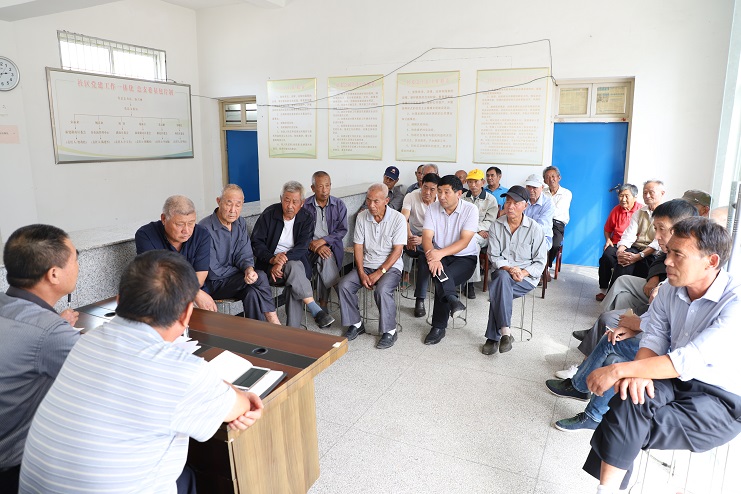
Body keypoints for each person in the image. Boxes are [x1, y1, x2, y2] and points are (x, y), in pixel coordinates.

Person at [19, 250, 264, 493]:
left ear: (119, 300)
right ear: (186, 314)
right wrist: (227, 393)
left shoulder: (85, 341)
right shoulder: (181, 373)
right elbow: (243, 406)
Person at [581, 218, 739, 493]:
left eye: (678, 254)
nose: (667, 261)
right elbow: (655, 336)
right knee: (631, 395)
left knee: (623, 414)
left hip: (720, 397)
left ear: (711, 261)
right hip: (673, 379)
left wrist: (620, 370)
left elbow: (690, 359)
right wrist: (639, 372)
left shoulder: (735, 301)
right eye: (668, 252)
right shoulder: (669, 289)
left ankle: (611, 479)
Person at [548, 199, 699, 418]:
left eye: (661, 229)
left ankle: (585, 388)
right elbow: (659, 264)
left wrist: (638, 329)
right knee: (617, 290)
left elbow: (678, 344)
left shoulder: (704, 280)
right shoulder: (672, 268)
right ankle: (584, 379)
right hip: (655, 312)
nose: (657, 235)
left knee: (611, 337)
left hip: (675, 359)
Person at [0, 225, 80, 493]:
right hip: (16, 472)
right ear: (54, 274)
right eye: (75, 258)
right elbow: (106, 379)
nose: (77, 266)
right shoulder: (51, 333)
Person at [251, 181, 335, 329]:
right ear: (281, 199)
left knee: (293, 274)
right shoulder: (269, 214)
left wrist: (281, 262)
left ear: (302, 203)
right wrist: (273, 259)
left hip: (295, 265)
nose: (290, 206)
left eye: (295, 202)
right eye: (286, 200)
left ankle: (293, 330)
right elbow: (256, 243)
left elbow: (302, 247)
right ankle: (313, 310)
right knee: (295, 276)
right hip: (270, 269)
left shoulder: (306, 217)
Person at [337, 184, 406, 349]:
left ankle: (390, 331)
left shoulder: (398, 219)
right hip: (367, 264)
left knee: (382, 290)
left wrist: (380, 272)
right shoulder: (362, 217)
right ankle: (356, 324)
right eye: (368, 200)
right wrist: (361, 272)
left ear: (386, 201)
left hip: (391, 267)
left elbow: (397, 251)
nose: (371, 205)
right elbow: (358, 246)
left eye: (376, 201)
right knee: (344, 285)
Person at [199, 185, 280, 324]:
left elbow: (244, 253)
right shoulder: (204, 228)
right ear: (219, 201)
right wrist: (242, 273)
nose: (233, 210)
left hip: (236, 281)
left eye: (238, 205)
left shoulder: (240, 223)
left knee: (251, 292)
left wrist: (248, 269)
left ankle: (258, 333)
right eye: (228, 204)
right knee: (260, 276)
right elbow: (213, 271)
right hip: (214, 284)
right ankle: (274, 322)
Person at [482, 186, 547, 354]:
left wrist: (522, 272)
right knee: (502, 279)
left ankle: (493, 337)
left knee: (499, 288)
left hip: (525, 279)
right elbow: (494, 256)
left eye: (515, 203)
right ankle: (505, 333)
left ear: (525, 206)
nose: (510, 206)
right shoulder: (496, 226)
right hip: (503, 271)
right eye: (507, 202)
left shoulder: (535, 229)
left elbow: (540, 262)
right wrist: (511, 269)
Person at [419, 175, 479, 345]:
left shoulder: (471, 210)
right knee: (441, 273)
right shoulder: (432, 208)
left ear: (459, 193)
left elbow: (464, 241)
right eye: (439, 191)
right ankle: (452, 301)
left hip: (464, 258)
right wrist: (433, 256)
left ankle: (438, 327)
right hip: (438, 255)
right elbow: (426, 237)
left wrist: (438, 254)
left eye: (446, 192)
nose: (441, 196)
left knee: (442, 278)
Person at [136, 195, 217, 312]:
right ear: (164, 219)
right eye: (180, 224)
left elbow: (200, 276)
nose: (186, 230)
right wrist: (194, 292)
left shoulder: (201, 234)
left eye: (191, 223)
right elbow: (157, 277)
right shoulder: (146, 235)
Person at [597, 180, 666, 300]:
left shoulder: (666, 214)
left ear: (662, 193)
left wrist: (639, 256)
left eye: (651, 192)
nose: (647, 196)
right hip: (634, 247)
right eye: (645, 192)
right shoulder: (640, 212)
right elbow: (629, 235)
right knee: (623, 260)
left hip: (654, 253)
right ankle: (612, 298)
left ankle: (617, 298)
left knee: (630, 262)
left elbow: (658, 242)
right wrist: (620, 252)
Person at [302, 171, 348, 311]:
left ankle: (323, 306)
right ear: (313, 188)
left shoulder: (339, 204)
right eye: (320, 186)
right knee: (326, 258)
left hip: (332, 247)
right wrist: (315, 246)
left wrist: (323, 241)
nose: (325, 190)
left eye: (327, 186)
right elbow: (299, 233)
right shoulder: (305, 205)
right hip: (308, 249)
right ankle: (341, 294)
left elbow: (342, 230)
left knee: (325, 257)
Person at [401, 172, 439, 317]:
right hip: (412, 238)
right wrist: (409, 236)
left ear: (437, 190)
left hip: (432, 239)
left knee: (425, 255)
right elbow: (403, 218)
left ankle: (420, 300)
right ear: (421, 185)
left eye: (432, 189)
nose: (427, 192)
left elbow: (441, 228)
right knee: (427, 253)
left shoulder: (441, 201)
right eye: (425, 188)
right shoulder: (411, 196)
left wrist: (423, 239)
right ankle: (420, 299)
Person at [462, 168, 498, 299]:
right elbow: (458, 218)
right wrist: (474, 229)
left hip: (483, 235)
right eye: (470, 182)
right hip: (466, 232)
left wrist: (473, 230)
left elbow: (490, 221)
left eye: (476, 182)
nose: (473, 185)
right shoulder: (462, 198)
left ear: (483, 182)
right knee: (469, 243)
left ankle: (470, 283)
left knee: (472, 242)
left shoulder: (491, 199)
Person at [542, 166, 572, 269]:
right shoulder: (542, 192)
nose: (551, 179)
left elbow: (558, 211)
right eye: (547, 177)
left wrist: (544, 211)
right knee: (534, 240)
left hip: (557, 224)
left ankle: (546, 266)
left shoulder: (566, 193)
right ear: (544, 180)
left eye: (553, 176)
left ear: (559, 177)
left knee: (554, 244)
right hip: (543, 221)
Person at [601, 184, 642, 258]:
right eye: (621, 196)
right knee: (607, 255)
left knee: (626, 258)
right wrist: (608, 240)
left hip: (635, 245)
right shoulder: (616, 210)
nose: (623, 199)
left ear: (634, 197)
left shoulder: (641, 210)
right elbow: (607, 229)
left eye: (626, 196)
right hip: (617, 243)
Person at [523, 173, 555, 251]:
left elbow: (541, 227)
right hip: (522, 235)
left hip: (541, 237)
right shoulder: (521, 200)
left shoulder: (548, 203)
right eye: (528, 187)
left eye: (534, 187)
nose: (531, 190)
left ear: (542, 187)